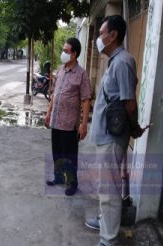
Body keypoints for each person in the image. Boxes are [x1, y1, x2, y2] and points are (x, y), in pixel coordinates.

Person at [86, 15, 146, 246]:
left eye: (101, 33)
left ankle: (108, 241)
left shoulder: (122, 62)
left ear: (113, 36)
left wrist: (134, 129)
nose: (99, 38)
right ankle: (105, 221)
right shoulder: (114, 61)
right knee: (106, 184)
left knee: (109, 189)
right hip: (106, 134)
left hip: (113, 137)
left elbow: (129, 103)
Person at [45, 38, 91, 196]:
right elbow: (54, 94)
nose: (63, 53)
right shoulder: (60, 70)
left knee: (69, 155)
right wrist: (48, 112)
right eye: (63, 50)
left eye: (66, 51)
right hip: (56, 121)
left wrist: (83, 124)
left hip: (69, 124)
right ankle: (58, 177)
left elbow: (85, 100)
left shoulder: (81, 74)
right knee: (56, 152)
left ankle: (72, 182)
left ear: (74, 54)